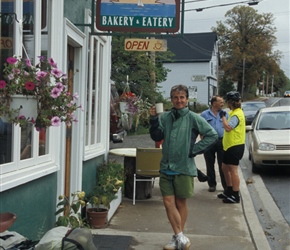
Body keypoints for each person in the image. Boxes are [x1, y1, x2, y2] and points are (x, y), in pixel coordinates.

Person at [149, 85, 218, 250]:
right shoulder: (165, 117)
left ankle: (176, 238)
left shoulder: (194, 118)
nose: (178, 100)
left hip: (184, 167)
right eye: (175, 97)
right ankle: (180, 236)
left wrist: (193, 150)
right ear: (171, 99)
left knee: (180, 203)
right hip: (166, 166)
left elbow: (212, 135)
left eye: (182, 97)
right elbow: (157, 136)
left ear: (187, 99)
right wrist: (153, 120)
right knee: (167, 202)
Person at [218, 91, 245, 204]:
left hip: (235, 146)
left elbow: (228, 128)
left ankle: (235, 194)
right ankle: (228, 190)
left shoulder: (237, 114)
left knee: (233, 171)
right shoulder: (235, 112)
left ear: (230, 102)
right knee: (224, 167)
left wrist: (223, 117)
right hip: (229, 146)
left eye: (227, 102)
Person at [200, 96, 228, 192]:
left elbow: (228, 126)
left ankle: (225, 185)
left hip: (221, 141)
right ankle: (212, 184)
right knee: (209, 163)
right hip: (208, 142)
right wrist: (201, 134)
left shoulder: (224, 114)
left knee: (223, 165)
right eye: (220, 102)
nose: (222, 103)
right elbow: (199, 125)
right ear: (213, 103)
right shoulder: (204, 114)